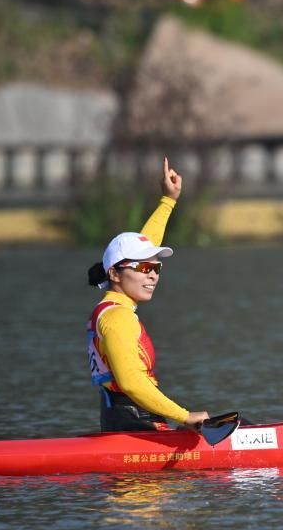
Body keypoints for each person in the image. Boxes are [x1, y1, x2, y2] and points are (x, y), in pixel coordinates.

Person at [86, 157, 210, 432]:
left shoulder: (110, 307)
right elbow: (130, 382)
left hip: (126, 420)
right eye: (143, 267)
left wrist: (168, 200)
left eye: (155, 266)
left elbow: (143, 246)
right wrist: (185, 416)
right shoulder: (117, 318)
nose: (152, 274)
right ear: (114, 275)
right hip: (134, 424)